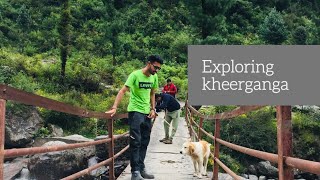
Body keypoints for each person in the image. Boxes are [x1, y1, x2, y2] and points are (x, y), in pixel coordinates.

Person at [106, 55, 163, 180]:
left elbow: (153, 93)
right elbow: (123, 90)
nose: (156, 70)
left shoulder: (154, 77)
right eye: (155, 67)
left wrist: (153, 109)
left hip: (147, 112)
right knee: (135, 141)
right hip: (135, 111)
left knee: (144, 141)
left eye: (159, 69)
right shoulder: (135, 75)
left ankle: (141, 168)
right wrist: (115, 107)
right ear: (148, 63)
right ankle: (135, 172)